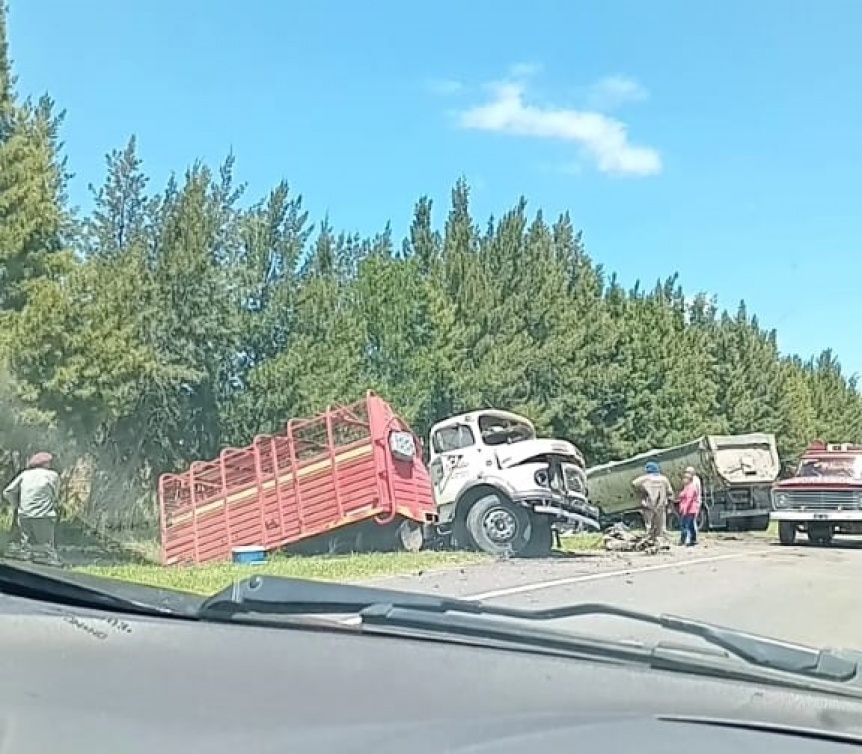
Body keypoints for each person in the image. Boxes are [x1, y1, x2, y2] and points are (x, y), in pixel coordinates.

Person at [2, 452, 62, 566]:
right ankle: (53, 562)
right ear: (46, 463)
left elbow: (7, 492)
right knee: (47, 544)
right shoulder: (53, 475)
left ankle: (27, 563)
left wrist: (16, 505)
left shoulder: (25, 474)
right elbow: (55, 496)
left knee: (26, 543)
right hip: (44, 515)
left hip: (24, 515)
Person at [632, 461, 674, 544]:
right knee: (661, 525)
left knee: (649, 525)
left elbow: (634, 484)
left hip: (649, 505)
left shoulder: (646, 478)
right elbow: (670, 492)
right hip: (661, 505)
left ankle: (650, 542)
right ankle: (661, 542)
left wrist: (642, 491)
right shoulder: (664, 479)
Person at [677, 469, 701, 547]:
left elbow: (689, 499)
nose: (683, 480)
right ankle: (693, 540)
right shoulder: (687, 487)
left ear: (689, 480)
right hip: (690, 509)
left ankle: (682, 541)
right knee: (690, 526)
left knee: (685, 525)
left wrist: (685, 509)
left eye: (685, 478)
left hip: (689, 510)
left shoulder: (691, 487)